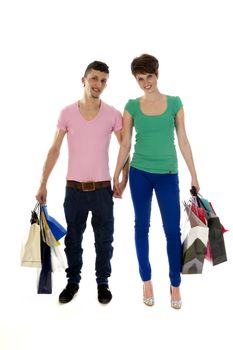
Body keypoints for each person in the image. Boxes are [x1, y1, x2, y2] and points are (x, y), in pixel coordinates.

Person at [36, 61, 128, 304]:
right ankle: (73, 281)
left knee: (104, 240)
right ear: (83, 80)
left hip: (102, 190)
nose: (99, 84)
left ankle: (103, 283)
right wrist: (43, 183)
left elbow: (125, 147)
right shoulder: (67, 113)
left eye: (103, 81)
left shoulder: (113, 114)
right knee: (73, 240)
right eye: (94, 79)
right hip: (74, 190)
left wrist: (122, 177)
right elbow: (54, 149)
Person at [113, 54, 200, 309]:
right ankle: (147, 280)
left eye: (149, 77)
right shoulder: (131, 106)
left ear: (157, 74)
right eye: (140, 79)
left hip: (168, 175)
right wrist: (116, 174)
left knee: (172, 232)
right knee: (141, 227)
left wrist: (195, 174)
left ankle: (175, 284)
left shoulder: (175, 103)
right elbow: (125, 143)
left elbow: (183, 140)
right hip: (140, 172)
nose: (145, 83)